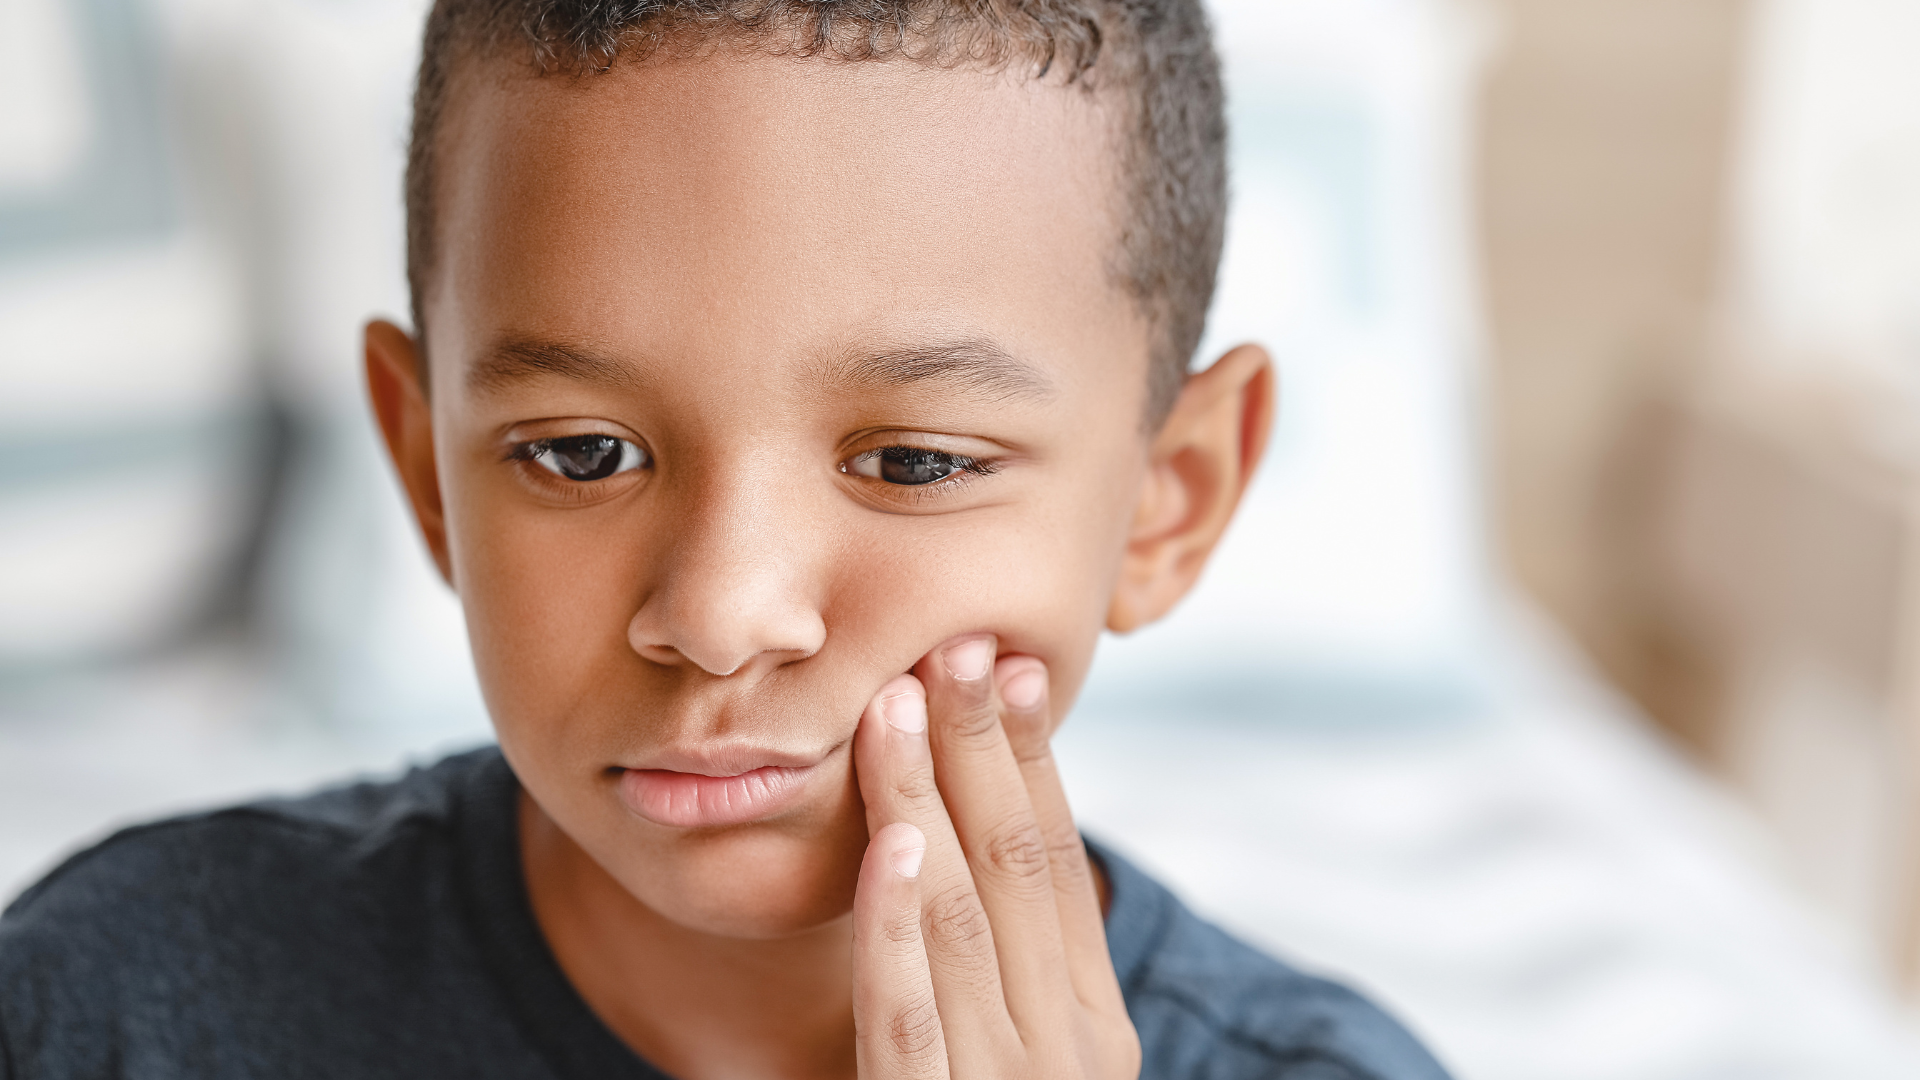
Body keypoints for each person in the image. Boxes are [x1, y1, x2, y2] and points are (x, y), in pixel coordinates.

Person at [0, 2, 1454, 1077]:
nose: (722, 611)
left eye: (914, 462)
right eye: (581, 454)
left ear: (1170, 499)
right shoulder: (114, 1006)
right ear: (426, 468)